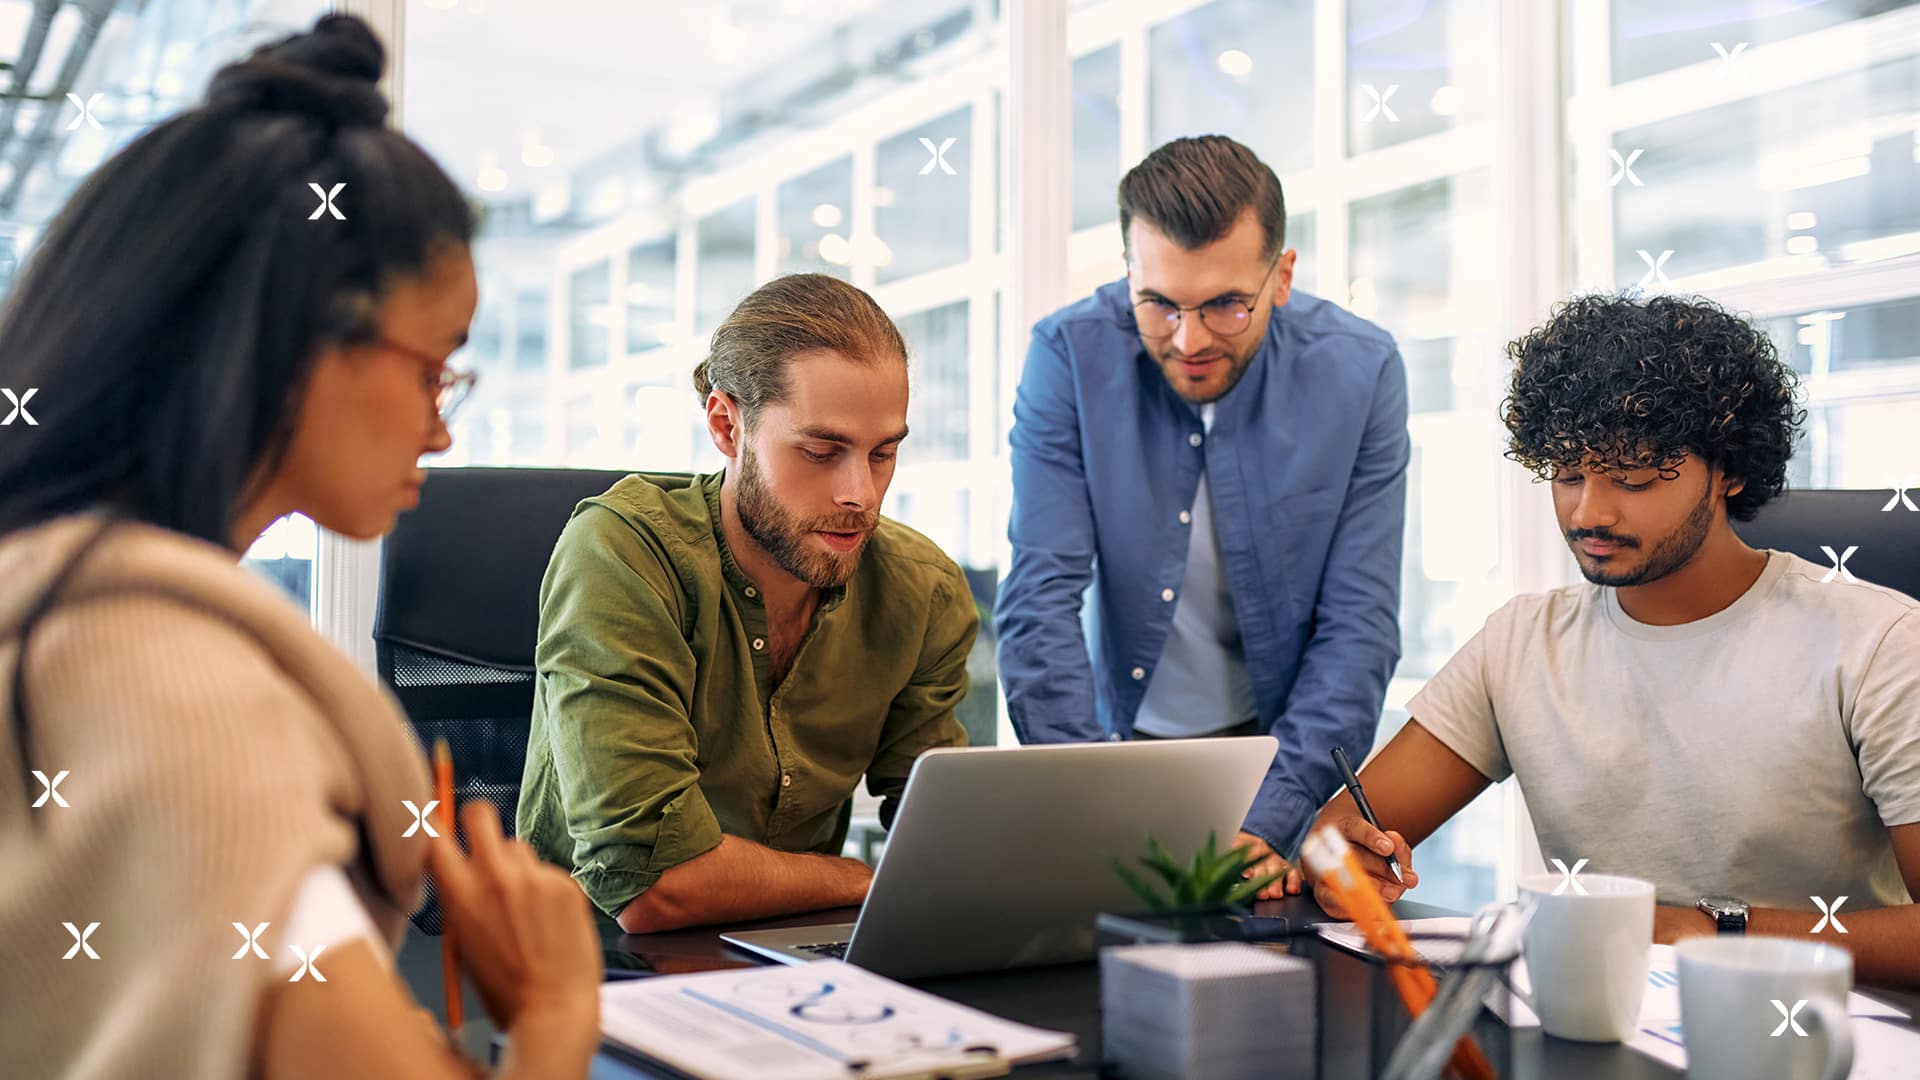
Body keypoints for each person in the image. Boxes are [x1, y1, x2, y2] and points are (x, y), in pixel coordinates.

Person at [0, 16, 603, 1078]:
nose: (443, 424)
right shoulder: (188, 703)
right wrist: (554, 1016)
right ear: (299, 339)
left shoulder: (51, 608)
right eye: (433, 368)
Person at [1294, 294, 1920, 988]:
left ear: (1730, 470)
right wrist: (1344, 857)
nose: (1589, 511)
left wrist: (1714, 931)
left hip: (1811, 1037)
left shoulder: (1878, 645)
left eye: (1634, 476)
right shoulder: (1522, 645)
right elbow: (1341, 833)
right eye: (1567, 475)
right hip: (1596, 1033)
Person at [995, 135, 1409, 885]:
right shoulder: (1067, 354)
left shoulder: (1361, 371)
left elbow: (1359, 625)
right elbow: (1039, 597)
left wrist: (1274, 816)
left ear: (1281, 277)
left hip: (1282, 753)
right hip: (1112, 746)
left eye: (1225, 304)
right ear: (1129, 276)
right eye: (1158, 303)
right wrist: (1092, 802)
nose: (1188, 340)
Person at [518, 273, 977, 939]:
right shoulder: (624, 554)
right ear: (727, 426)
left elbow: (940, 837)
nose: (861, 494)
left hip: (800, 948)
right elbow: (649, 887)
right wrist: (860, 881)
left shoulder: (922, 589)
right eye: (822, 451)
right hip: (588, 957)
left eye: (883, 454)